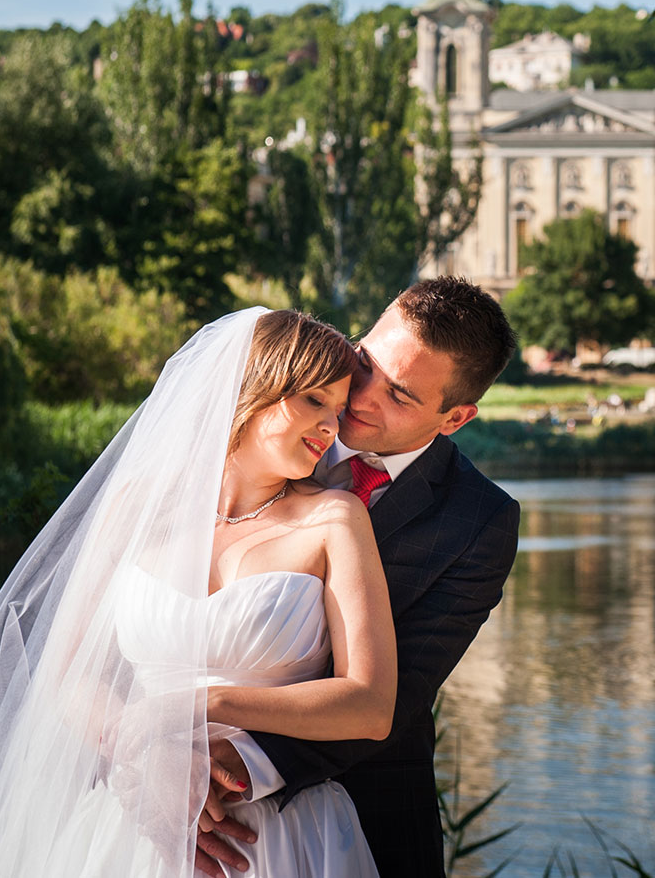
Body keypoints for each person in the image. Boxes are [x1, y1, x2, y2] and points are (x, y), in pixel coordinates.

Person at [0, 307, 403, 878]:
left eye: (336, 409)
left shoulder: (335, 518)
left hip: (280, 832)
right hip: (130, 820)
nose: (331, 428)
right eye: (314, 401)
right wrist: (143, 757)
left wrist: (199, 706)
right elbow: (68, 670)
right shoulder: (141, 506)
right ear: (254, 387)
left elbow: (370, 704)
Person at [196, 277, 521, 878]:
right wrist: (152, 771)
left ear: (455, 418)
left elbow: (393, 701)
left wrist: (217, 777)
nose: (360, 396)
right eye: (366, 361)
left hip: (351, 822)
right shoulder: (247, 448)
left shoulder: (478, 521)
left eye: (399, 395)